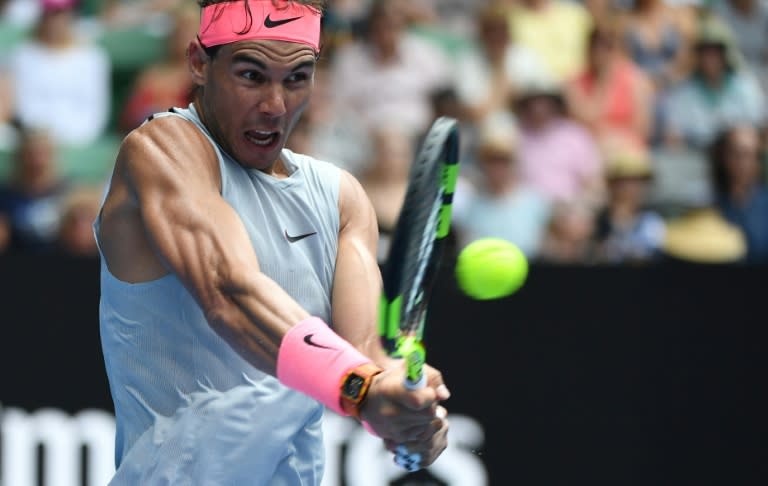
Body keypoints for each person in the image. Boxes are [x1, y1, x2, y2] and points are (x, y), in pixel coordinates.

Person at [93, 1, 450, 484]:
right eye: (251, 75)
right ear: (199, 63)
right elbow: (229, 291)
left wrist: (405, 408)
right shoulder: (160, 149)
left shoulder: (341, 197)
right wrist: (363, 388)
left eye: (297, 78)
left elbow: (362, 353)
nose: (275, 104)